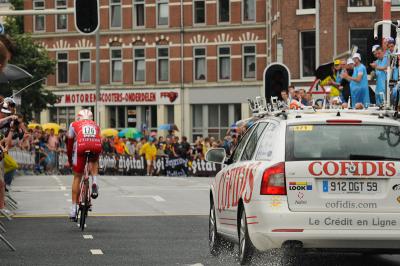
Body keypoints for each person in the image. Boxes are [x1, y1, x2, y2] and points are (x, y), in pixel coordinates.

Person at [67, 109, 102, 220]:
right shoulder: (96, 125)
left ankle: (73, 210)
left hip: (81, 147)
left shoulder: (74, 124)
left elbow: (69, 144)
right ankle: (95, 182)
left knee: (77, 177)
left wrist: (69, 159)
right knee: (94, 161)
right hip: (95, 145)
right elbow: (99, 139)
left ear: (78, 117)